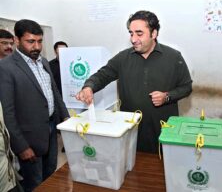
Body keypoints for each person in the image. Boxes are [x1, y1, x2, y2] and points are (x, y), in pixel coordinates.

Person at [76, 10, 192, 153]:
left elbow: (186, 87)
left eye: (139, 33)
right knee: (131, 169)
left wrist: (167, 96)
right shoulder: (123, 58)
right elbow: (103, 75)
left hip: (163, 129)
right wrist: (89, 87)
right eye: (131, 33)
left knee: (161, 169)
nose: (133, 39)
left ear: (154, 33)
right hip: (130, 128)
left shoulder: (174, 57)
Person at [0, 19, 69, 192]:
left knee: (50, 174)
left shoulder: (43, 61)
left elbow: (55, 93)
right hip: (29, 138)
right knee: (34, 182)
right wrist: (21, 146)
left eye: (39, 41)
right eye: (31, 41)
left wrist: (66, 118)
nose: (36, 46)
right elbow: (7, 113)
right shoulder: (6, 68)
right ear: (17, 40)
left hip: (51, 129)